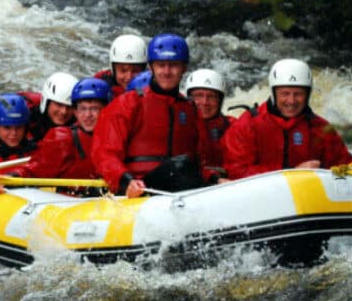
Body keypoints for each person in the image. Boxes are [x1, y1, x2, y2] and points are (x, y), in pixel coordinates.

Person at [92, 33, 205, 197]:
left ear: (184, 68)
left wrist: (215, 178)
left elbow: (202, 160)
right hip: (139, 188)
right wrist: (126, 180)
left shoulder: (190, 108)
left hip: (179, 188)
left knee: (184, 166)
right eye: (161, 65)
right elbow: (104, 153)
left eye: (173, 65)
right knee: (179, 167)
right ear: (151, 68)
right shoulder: (127, 103)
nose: (166, 71)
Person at [222, 59, 352, 180]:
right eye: (285, 94)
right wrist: (292, 172)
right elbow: (236, 172)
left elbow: (346, 166)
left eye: (298, 94)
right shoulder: (247, 124)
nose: (291, 101)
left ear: (307, 95)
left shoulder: (320, 128)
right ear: (274, 94)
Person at [12, 77, 112, 181]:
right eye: (82, 109)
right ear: (76, 112)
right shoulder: (61, 138)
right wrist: (14, 176)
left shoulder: (119, 135)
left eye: (94, 108)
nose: (87, 115)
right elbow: (34, 169)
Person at [184, 68, 233, 183]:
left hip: (227, 182)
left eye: (212, 96)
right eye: (198, 96)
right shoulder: (180, 127)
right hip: (193, 183)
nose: (205, 102)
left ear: (220, 101)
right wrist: (214, 178)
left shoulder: (233, 126)